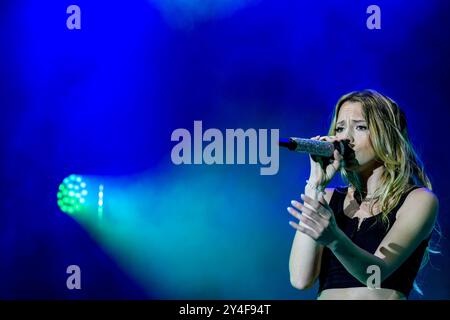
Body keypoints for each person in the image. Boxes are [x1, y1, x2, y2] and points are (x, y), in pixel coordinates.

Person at [287, 89, 439, 300]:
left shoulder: (418, 200)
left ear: (387, 135)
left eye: (360, 127)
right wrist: (315, 186)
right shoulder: (329, 199)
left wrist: (334, 239)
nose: (346, 137)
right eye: (340, 128)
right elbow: (300, 279)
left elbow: (375, 275)